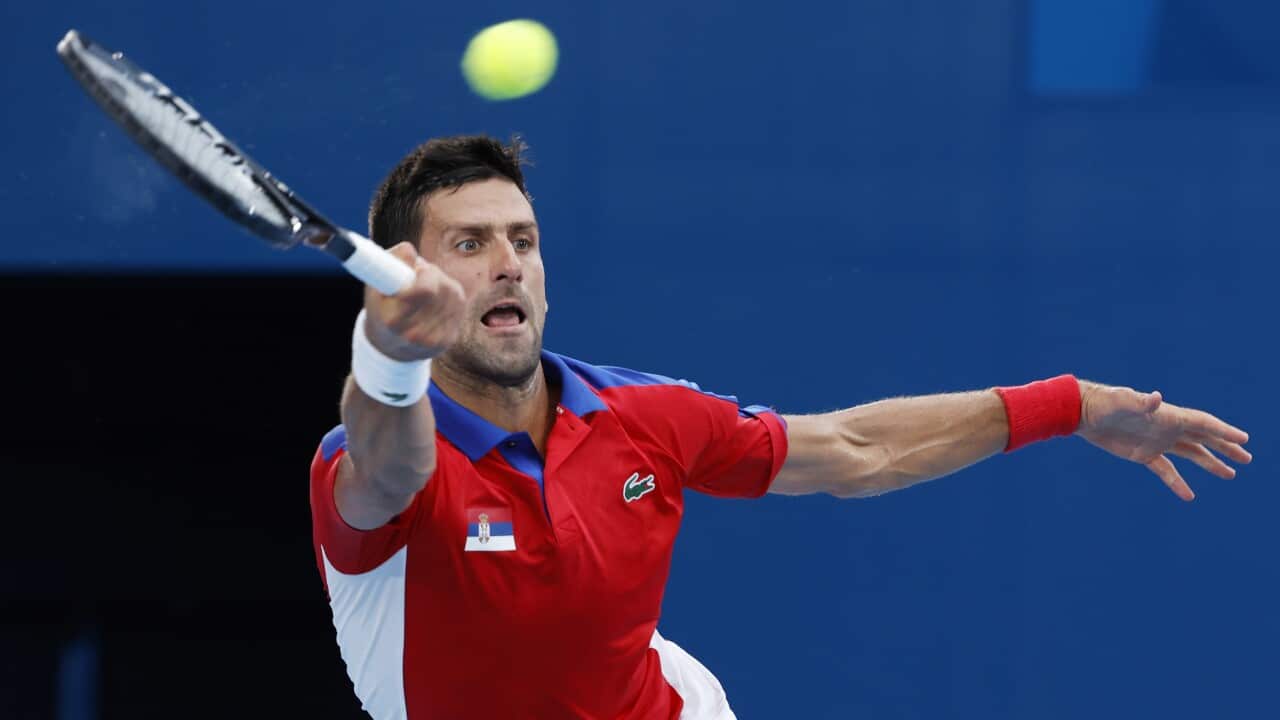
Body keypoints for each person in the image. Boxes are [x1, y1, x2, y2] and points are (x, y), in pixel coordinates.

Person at [309, 135, 1251, 720]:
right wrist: (388, 354)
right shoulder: (370, 457)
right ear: (407, 275)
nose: (508, 264)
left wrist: (1072, 404)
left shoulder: (639, 417)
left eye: (523, 239)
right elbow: (389, 467)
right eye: (469, 244)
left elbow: (854, 450)